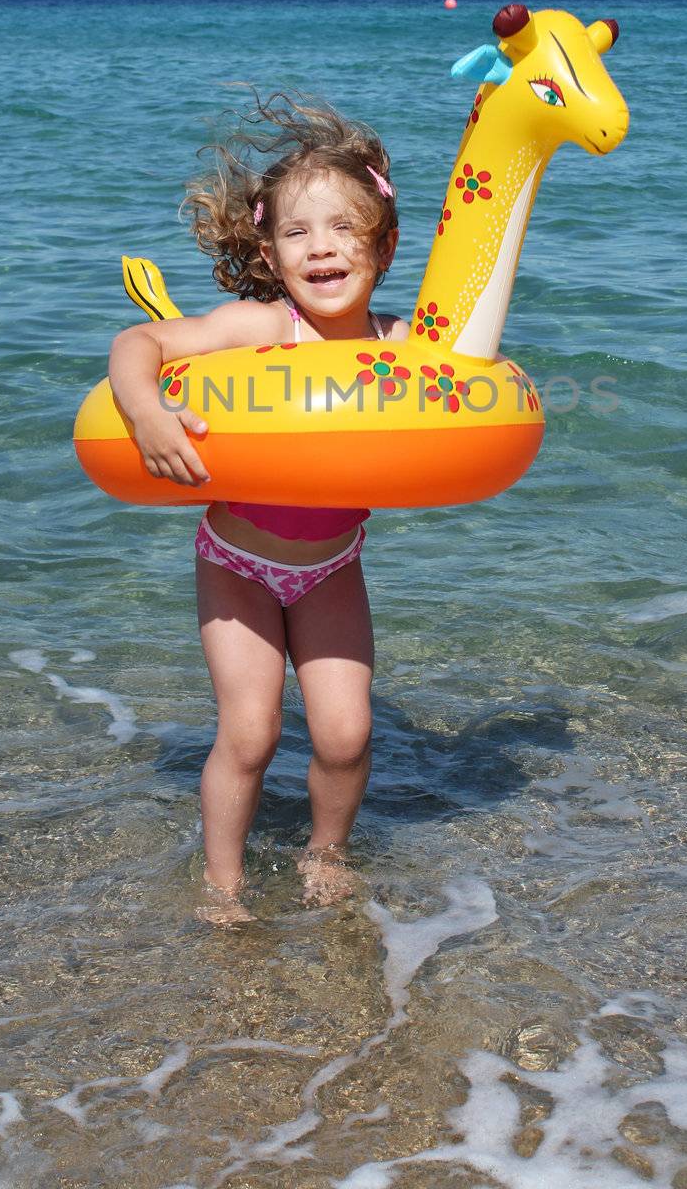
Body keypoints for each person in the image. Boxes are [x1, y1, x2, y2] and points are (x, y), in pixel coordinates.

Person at [108, 96, 407, 923]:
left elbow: (476, 355)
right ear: (271, 254)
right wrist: (146, 411)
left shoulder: (402, 345)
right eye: (298, 234)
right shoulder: (255, 326)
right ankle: (223, 885)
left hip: (332, 565)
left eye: (344, 229)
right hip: (238, 559)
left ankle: (326, 855)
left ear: (381, 245)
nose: (322, 248)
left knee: (345, 736)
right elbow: (141, 345)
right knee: (251, 734)